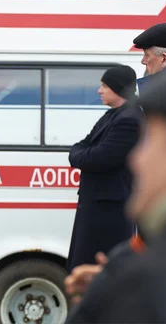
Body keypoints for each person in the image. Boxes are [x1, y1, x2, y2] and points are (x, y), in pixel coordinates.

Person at [63, 22, 166, 302]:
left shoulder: (164, 101)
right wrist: (118, 271)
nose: (138, 159)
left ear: (164, 58)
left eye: (146, 55)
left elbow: (97, 154)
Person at [66, 65, 143, 271]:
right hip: (98, 207)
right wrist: (80, 154)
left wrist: (79, 156)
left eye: (104, 86)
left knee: (101, 271)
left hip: (109, 214)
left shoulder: (129, 120)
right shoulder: (112, 116)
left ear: (117, 88)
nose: (99, 91)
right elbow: (82, 146)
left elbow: (99, 158)